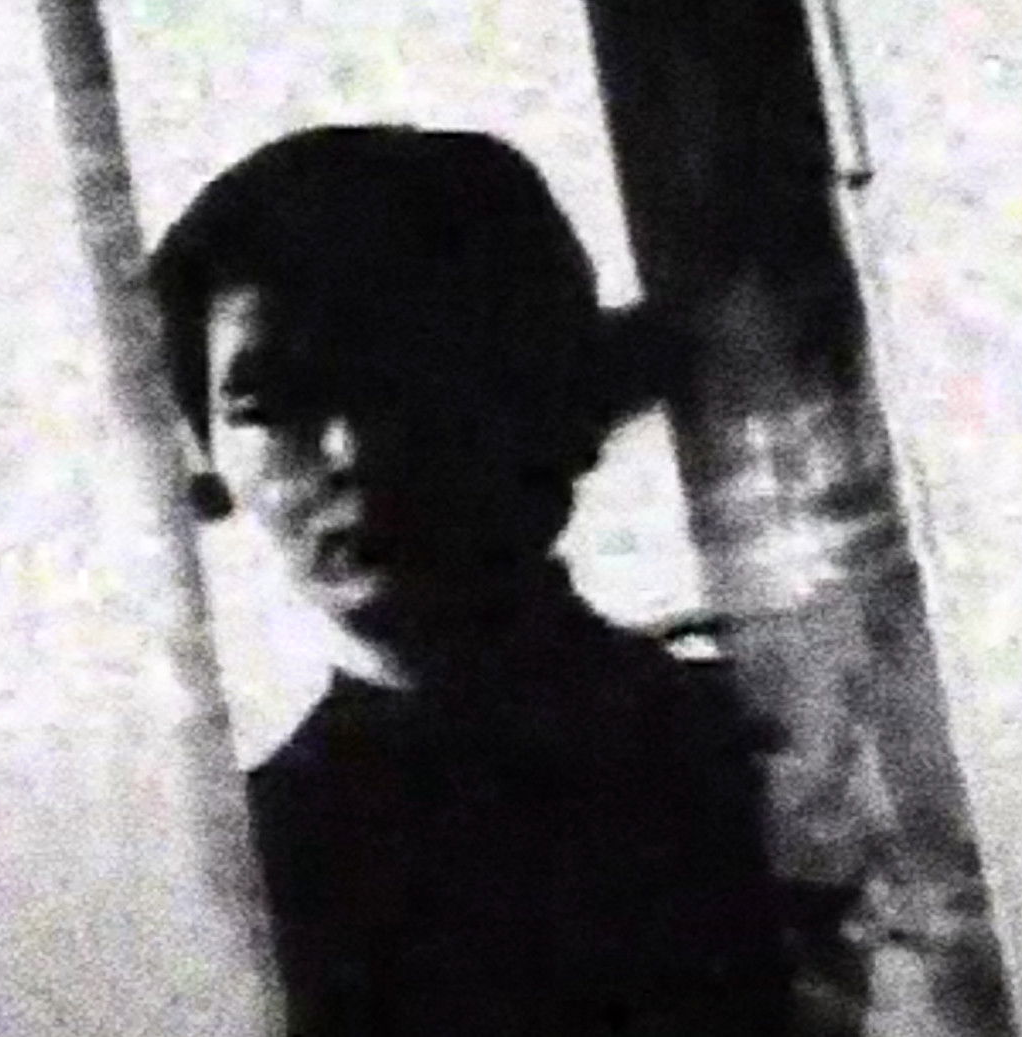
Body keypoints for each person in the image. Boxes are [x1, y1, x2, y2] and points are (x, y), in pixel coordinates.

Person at [147, 124, 802, 1036]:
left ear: (560, 397)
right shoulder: (235, 890)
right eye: (275, 404)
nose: (352, 449)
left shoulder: (786, 760)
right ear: (207, 462)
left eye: (408, 379)